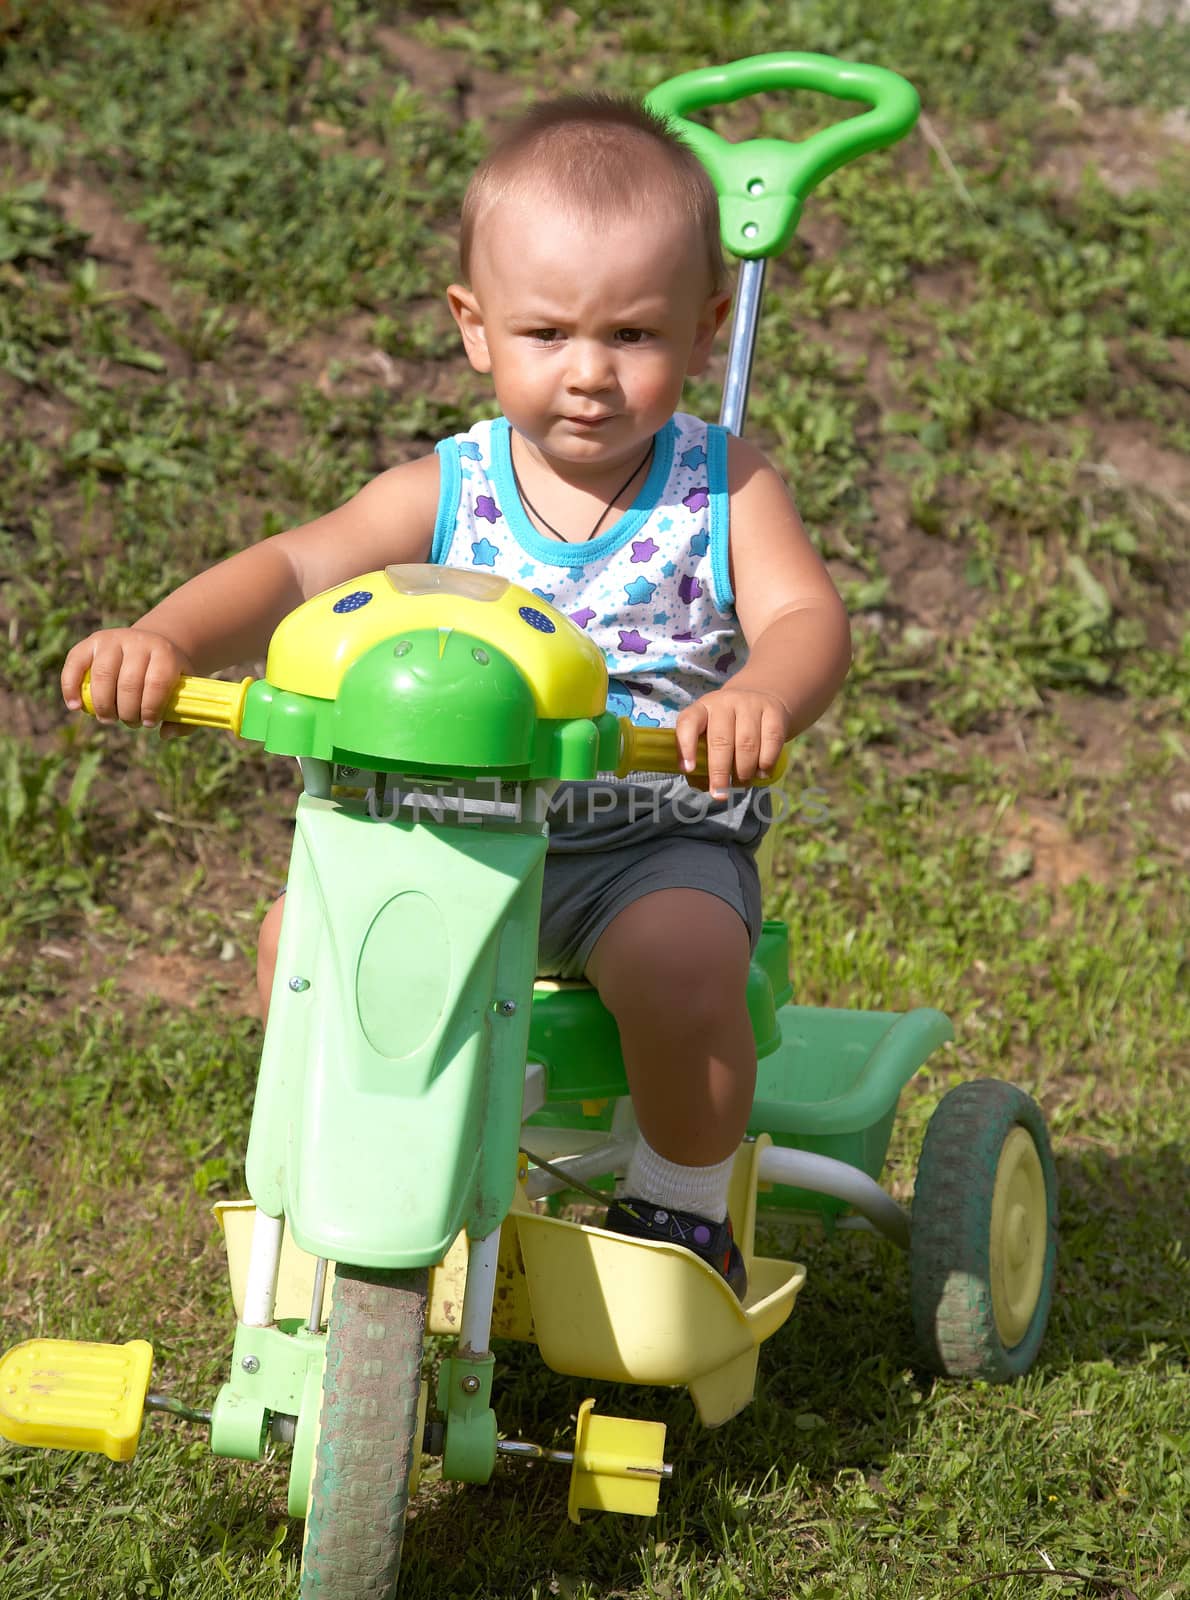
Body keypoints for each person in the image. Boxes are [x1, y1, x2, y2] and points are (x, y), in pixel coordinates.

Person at [61, 95, 851, 1299]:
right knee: (300, 948)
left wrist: (758, 697)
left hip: (647, 837)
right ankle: (341, 1167)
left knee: (684, 964)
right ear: (474, 329)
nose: (588, 375)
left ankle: (679, 1210)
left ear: (706, 324)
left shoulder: (722, 484)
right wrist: (167, 635)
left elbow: (806, 621)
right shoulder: (450, 485)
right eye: (547, 333)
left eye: (633, 336)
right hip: (445, 837)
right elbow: (295, 565)